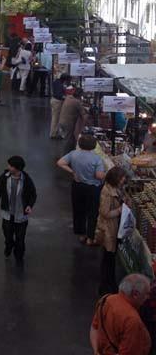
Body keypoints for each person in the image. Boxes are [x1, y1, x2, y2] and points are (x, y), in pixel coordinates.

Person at [57, 134, 106, 245]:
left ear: (80, 144)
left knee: (79, 210)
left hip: (77, 186)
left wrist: (72, 172)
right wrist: (105, 175)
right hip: (93, 188)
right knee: (92, 212)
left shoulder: (73, 154)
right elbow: (99, 175)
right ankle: (90, 237)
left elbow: (60, 163)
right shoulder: (97, 158)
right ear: (94, 146)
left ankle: (81, 234)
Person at [90, 274, 152, 355]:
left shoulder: (106, 299)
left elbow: (94, 328)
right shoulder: (132, 320)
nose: (148, 297)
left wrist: (96, 351)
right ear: (135, 294)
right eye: (146, 294)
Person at [0, 156, 37, 263]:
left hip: (21, 215)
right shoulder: (4, 177)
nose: (8, 167)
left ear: (17, 168)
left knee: (20, 238)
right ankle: (9, 246)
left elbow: (33, 194)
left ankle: (19, 255)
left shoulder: (26, 179)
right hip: (7, 214)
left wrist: (30, 205)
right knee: (8, 235)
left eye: (10, 166)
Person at [95, 166, 128, 295]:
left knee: (110, 259)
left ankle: (110, 284)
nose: (124, 180)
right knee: (108, 259)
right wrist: (120, 210)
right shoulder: (107, 192)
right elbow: (105, 213)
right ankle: (106, 287)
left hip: (113, 228)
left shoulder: (114, 189)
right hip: (109, 229)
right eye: (122, 178)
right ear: (116, 179)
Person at [59, 87, 88, 154]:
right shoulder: (76, 102)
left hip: (62, 121)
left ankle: (69, 154)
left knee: (68, 139)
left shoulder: (68, 98)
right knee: (68, 140)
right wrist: (83, 126)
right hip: (68, 123)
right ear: (80, 95)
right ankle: (66, 156)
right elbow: (83, 114)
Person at [50, 74, 71, 139]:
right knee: (55, 118)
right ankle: (53, 134)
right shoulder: (59, 84)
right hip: (57, 102)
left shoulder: (56, 82)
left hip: (54, 100)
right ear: (65, 80)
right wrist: (67, 97)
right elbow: (59, 95)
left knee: (56, 118)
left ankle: (55, 132)